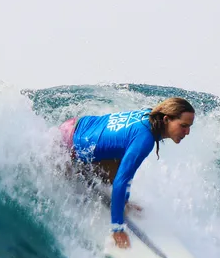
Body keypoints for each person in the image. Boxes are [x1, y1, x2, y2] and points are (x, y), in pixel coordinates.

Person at [59, 97, 195, 249]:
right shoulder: (145, 138)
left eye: (189, 127)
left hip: (76, 125)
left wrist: (125, 200)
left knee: (119, 161)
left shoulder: (149, 116)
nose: (187, 132)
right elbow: (121, 181)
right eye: (183, 126)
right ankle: (79, 172)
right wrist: (118, 229)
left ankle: (88, 175)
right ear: (166, 119)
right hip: (67, 143)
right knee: (118, 177)